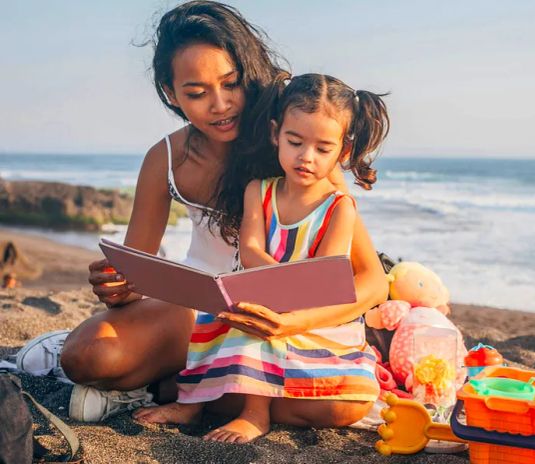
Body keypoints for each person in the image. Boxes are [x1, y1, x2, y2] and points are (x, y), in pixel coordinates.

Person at [19, 0, 387, 426]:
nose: (220, 105)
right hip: (194, 311)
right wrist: (118, 285)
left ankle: (167, 388)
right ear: (171, 94)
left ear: (249, 75)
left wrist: (291, 321)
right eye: (196, 93)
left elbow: (372, 280)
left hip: (280, 319)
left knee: (340, 407)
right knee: (88, 356)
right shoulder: (167, 158)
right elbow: (137, 272)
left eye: (230, 84)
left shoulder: (294, 149)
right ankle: (185, 383)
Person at [133, 73, 390, 443]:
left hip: (310, 317)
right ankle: (199, 406)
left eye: (322, 148)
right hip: (263, 296)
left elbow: (326, 276)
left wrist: (287, 298)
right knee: (228, 318)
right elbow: (251, 249)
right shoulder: (260, 191)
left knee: (346, 391)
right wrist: (276, 286)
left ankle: (254, 411)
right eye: (295, 141)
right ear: (275, 135)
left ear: (342, 153)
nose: (306, 157)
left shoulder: (339, 207)